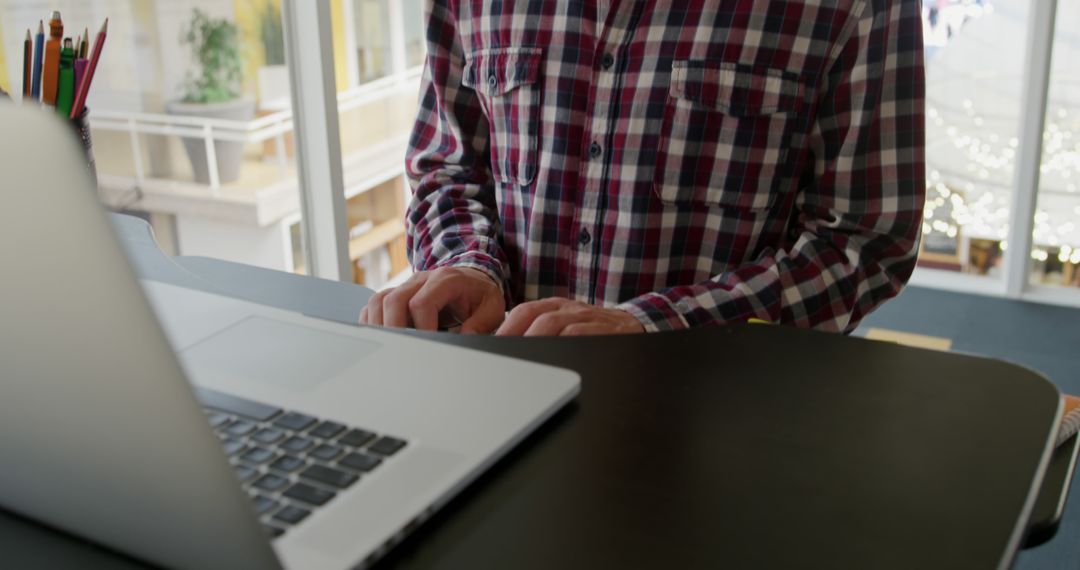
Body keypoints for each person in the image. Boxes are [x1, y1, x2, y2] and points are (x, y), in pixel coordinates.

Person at [360, 1, 925, 337]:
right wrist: (468, 265)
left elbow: (864, 244)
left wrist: (654, 327)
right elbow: (447, 169)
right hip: (497, 407)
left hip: (720, 434)